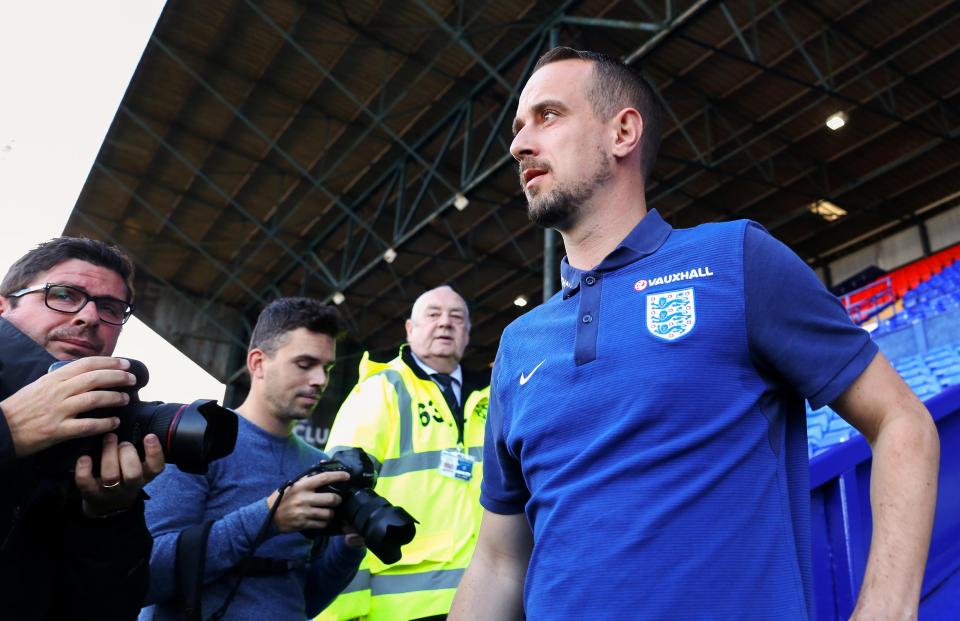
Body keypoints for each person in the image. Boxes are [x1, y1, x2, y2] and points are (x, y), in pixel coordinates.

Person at [449, 47, 941, 621]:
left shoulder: (735, 259)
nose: (518, 144)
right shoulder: (519, 344)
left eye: (548, 116)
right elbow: (500, 562)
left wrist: (886, 611)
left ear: (623, 132)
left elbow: (901, 420)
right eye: (518, 127)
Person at [140, 297, 365, 620]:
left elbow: (306, 597)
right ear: (258, 363)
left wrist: (349, 546)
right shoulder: (199, 442)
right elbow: (147, 573)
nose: (320, 380)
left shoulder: (318, 466)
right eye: (304, 364)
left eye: (327, 368)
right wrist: (267, 518)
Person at [0, 237, 166, 620]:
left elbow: (105, 610)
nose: (89, 317)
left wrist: (108, 516)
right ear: (4, 307)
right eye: (63, 295)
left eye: (110, 307)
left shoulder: (102, 432)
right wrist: (9, 431)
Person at [318, 285, 490, 621]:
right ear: (410, 330)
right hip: (398, 609)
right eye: (433, 315)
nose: (445, 323)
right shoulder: (381, 390)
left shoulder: (492, 398)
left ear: (468, 334)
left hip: (484, 599)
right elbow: (341, 491)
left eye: (457, 317)